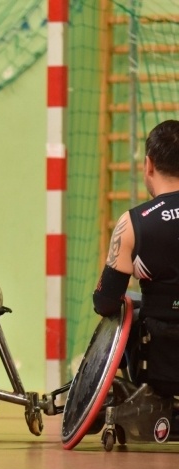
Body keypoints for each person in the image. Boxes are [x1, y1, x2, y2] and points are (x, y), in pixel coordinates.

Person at [92, 119, 179, 396]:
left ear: (148, 164)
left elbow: (105, 303)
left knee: (128, 307)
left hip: (161, 370)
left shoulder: (132, 223)